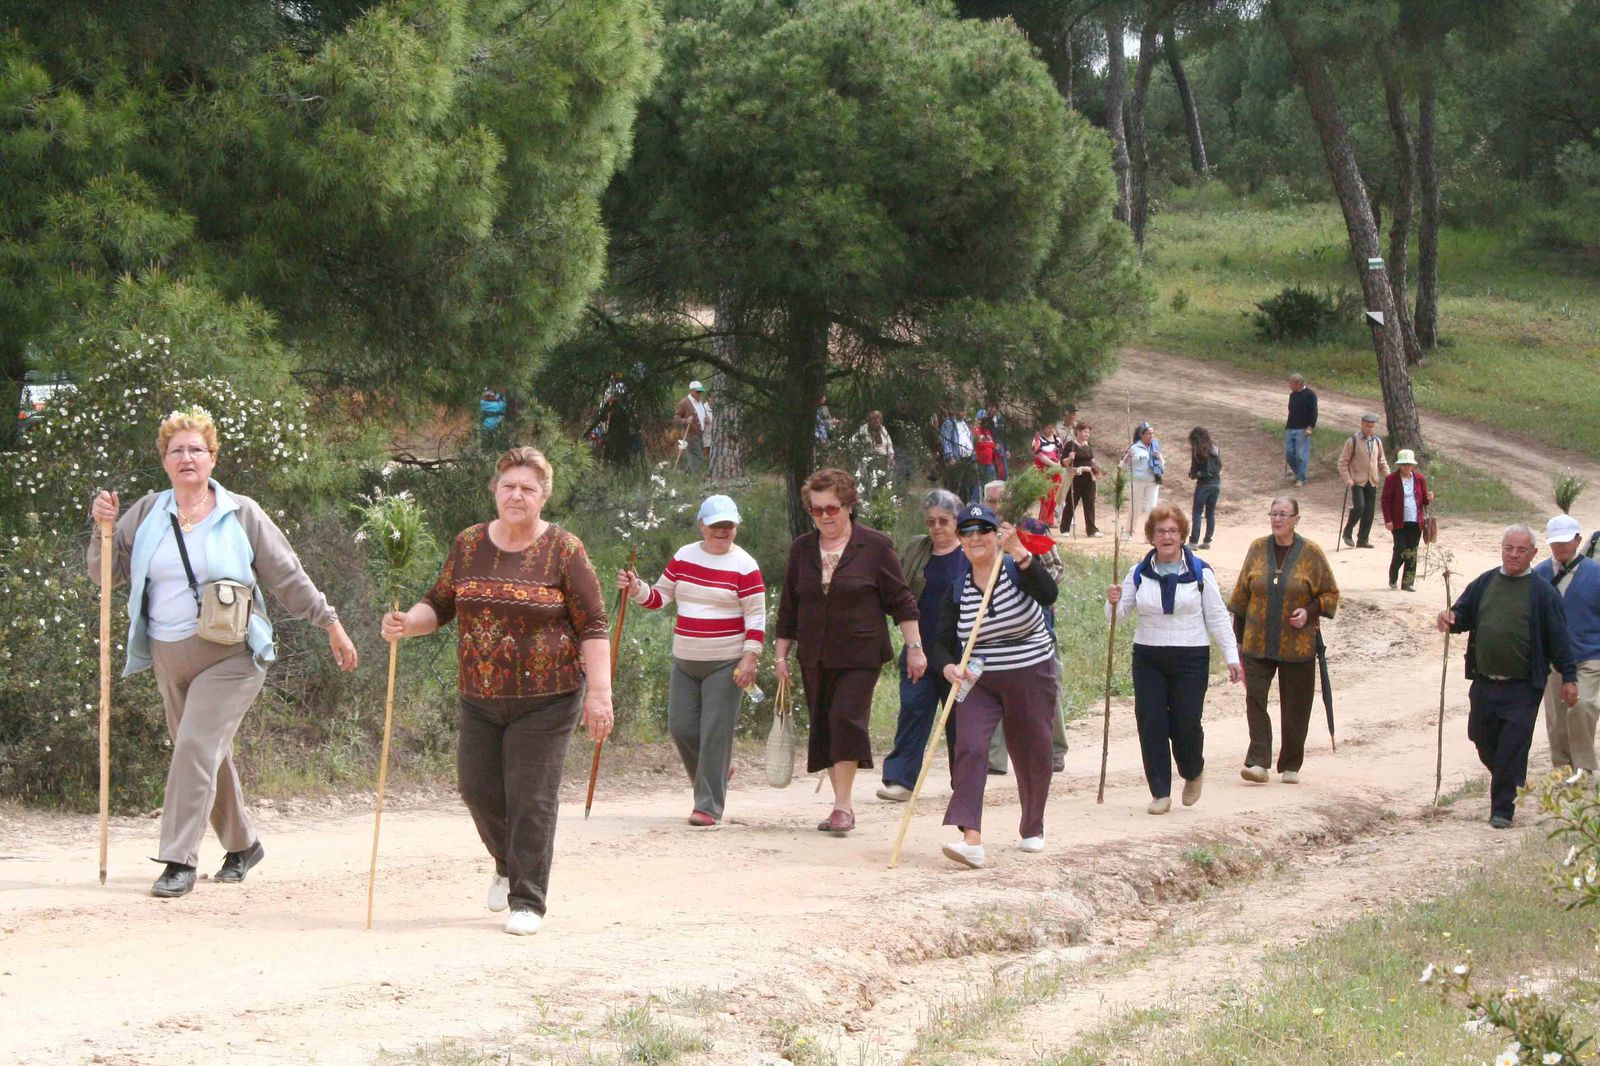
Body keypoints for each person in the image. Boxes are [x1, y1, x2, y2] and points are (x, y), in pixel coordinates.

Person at [88, 408, 359, 899]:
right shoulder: (148, 513)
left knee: (194, 747)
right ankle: (243, 845)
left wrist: (330, 623)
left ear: (213, 458)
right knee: (205, 753)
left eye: (196, 450)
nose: (186, 458)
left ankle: (178, 860)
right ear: (165, 460)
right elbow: (104, 573)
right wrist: (101, 529)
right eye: (177, 450)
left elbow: (287, 576)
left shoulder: (241, 513)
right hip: (169, 653)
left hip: (232, 654)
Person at [382, 447, 612, 935]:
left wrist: (599, 694)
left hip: (549, 698)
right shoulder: (468, 544)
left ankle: (527, 900)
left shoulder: (564, 550)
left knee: (531, 796)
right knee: (477, 788)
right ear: (495, 489)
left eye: (529, 488)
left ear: (544, 495)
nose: (517, 495)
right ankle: (507, 864)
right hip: (480, 695)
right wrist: (407, 625)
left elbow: (593, 623)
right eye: (509, 485)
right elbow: (439, 603)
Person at [775, 469, 923, 834]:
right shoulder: (801, 549)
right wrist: (780, 655)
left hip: (861, 652)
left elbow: (901, 600)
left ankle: (843, 806)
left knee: (845, 718)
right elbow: (789, 607)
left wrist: (915, 647)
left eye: (833, 509)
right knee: (825, 723)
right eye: (817, 510)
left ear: (849, 506)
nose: (826, 517)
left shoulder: (875, 545)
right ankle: (839, 803)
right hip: (814, 652)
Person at [617, 494, 765, 826]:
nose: (722, 531)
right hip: (685, 659)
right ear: (702, 525)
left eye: (728, 525)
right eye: (716, 525)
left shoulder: (745, 566)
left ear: (736, 527)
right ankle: (718, 771)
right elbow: (659, 598)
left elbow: (756, 618)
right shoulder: (684, 557)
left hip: (726, 662)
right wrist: (636, 587)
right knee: (680, 727)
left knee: (715, 732)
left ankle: (708, 806)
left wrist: (749, 658)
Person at [930, 504, 1059, 869]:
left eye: (982, 531)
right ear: (959, 541)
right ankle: (971, 837)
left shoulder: (1016, 571)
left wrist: (1020, 551)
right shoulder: (957, 590)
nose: (975, 539)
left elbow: (1048, 595)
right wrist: (948, 667)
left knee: (1032, 749)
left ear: (995, 534)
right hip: (980, 678)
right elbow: (941, 643)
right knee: (969, 746)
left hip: (1030, 670)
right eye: (967, 533)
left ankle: (1032, 827)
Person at [1437, 525, 1578, 828]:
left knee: (1513, 745)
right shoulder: (1486, 582)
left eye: (1521, 550)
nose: (1514, 555)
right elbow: (1463, 614)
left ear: (1533, 554)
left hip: (1523, 687)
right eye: (1509, 548)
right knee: (1479, 735)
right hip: (1485, 681)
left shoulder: (1542, 592)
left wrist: (1569, 677)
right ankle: (1510, 778)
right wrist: (1450, 618)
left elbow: (1559, 639)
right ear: (1501, 548)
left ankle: (1502, 809)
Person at [1107, 504, 1242, 814]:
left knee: (1186, 722)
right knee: (1151, 721)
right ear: (1151, 537)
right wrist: (1112, 602)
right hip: (1148, 656)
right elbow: (1116, 618)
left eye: (1172, 531)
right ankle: (1160, 792)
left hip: (1191, 656)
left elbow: (1218, 617)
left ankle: (1193, 770)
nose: (1166, 537)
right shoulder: (1138, 573)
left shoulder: (1199, 572)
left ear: (1182, 535)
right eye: (1160, 531)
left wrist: (1232, 657)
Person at [1228, 498, 1340, 784]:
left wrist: (1309, 611)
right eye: (1273, 514)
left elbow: (1330, 594)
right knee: (1255, 699)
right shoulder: (1256, 548)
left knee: (1296, 704)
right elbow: (1241, 596)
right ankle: (1258, 762)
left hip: (1297, 644)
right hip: (1257, 642)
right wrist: (1237, 643)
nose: (1277, 519)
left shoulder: (1311, 553)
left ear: (1296, 519)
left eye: (1283, 515)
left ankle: (1291, 763)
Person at [878, 490, 966, 801]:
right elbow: (897, 590)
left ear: (957, 520)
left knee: (960, 719)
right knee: (913, 709)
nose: (937, 528)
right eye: (931, 521)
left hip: (958, 653)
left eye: (944, 521)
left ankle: (965, 785)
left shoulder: (971, 551)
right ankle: (900, 779)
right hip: (919, 647)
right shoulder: (918, 549)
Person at [1534, 514, 1600, 779]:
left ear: (1577, 540)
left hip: (1589, 655)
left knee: (1581, 707)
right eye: (1555, 543)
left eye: (1566, 542)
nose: (1561, 548)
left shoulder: (1596, 574)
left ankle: (1583, 768)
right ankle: (1562, 769)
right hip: (1553, 659)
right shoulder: (1538, 575)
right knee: (1557, 717)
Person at [1380, 449, 1434, 591]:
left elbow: (1423, 501)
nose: (1406, 467)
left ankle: (1408, 583)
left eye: (1408, 464)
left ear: (1412, 465)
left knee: (1412, 551)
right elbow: (1385, 501)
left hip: (1415, 521)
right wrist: (1388, 520)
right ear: (1399, 465)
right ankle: (1393, 576)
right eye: (1403, 464)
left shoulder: (1420, 479)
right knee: (1401, 549)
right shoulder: (1391, 479)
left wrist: (1428, 498)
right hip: (1398, 521)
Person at [1338, 413, 1390, 548]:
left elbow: (1381, 461)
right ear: (1362, 424)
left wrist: (1388, 476)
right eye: (1367, 426)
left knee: (1369, 512)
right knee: (1359, 506)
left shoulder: (1377, 441)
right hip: (1357, 481)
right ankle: (1347, 532)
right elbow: (1342, 462)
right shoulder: (1352, 441)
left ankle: (1363, 539)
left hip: (1372, 481)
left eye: (1372, 427)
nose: (1370, 429)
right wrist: (1347, 478)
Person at [1060, 421, 1102, 538]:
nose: (1087, 434)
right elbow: (1063, 462)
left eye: (1088, 432)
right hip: (1076, 478)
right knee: (1071, 503)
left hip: (1089, 478)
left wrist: (1096, 468)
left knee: (1089, 503)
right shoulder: (1070, 445)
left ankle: (1091, 530)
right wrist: (1069, 457)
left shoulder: (1087, 446)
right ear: (1078, 431)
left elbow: (1091, 460)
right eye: (1085, 431)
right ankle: (1065, 528)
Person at [1122, 422, 1162, 537]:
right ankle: (1129, 531)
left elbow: (1162, 465)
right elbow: (1123, 465)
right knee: (1135, 507)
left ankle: (1150, 535)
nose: (1151, 436)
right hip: (1137, 482)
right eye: (1149, 434)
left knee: (1151, 508)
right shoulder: (1134, 448)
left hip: (1153, 481)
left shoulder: (1156, 447)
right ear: (1142, 435)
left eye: (1152, 434)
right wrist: (1127, 459)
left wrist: (1158, 458)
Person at [1187, 427, 1221, 549]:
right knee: (1210, 512)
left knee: (1197, 512)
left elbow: (1195, 470)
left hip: (1204, 484)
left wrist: (1194, 474)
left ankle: (1193, 541)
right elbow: (1219, 466)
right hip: (1216, 483)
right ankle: (1207, 541)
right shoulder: (1214, 447)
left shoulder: (1198, 450)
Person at [1032, 417, 1068, 526]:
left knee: (1054, 498)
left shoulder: (1057, 440)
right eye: (1047, 427)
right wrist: (1053, 464)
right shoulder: (1038, 440)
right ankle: (1042, 520)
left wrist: (1061, 464)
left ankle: (1050, 520)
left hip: (1056, 472)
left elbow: (1062, 453)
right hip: (1043, 472)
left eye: (1052, 427)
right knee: (1046, 497)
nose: (1050, 430)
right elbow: (1039, 455)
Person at [1284, 373, 1317, 486]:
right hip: (1291, 427)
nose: (1289, 385)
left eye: (1291, 383)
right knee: (1289, 453)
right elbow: (1290, 410)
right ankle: (1299, 473)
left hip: (1303, 429)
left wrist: (1310, 427)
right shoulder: (1292, 395)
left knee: (1301, 455)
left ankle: (1301, 478)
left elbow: (1313, 412)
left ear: (1298, 383)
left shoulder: (1310, 395)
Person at [938, 409, 978, 501]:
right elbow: (946, 441)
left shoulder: (965, 425)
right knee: (955, 489)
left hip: (969, 460)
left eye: (964, 411)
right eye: (960, 410)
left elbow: (969, 440)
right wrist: (949, 457)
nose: (962, 413)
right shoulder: (948, 424)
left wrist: (973, 455)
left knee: (969, 487)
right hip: (956, 460)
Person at [674, 381, 711, 476]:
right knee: (699, 457)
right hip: (689, 436)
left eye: (701, 391)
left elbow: (701, 414)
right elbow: (676, 419)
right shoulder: (684, 402)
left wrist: (705, 419)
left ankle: (685, 475)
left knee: (694, 458)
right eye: (697, 391)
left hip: (699, 436)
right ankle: (693, 478)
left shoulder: (700, 401)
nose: (700, 393)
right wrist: (686, 421)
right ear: (691, 391)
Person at [973, 414, 998, 487]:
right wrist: (991, 445)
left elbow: (992, 443)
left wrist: (989, 443)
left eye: (984, 420)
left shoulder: (987, 431)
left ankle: (994, 497)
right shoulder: (976, 431)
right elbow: (980, 444)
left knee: (993, 481)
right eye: (980, 420)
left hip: (990, 461)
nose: (982, 422)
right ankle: (974, 498)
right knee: (980, 483)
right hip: (981, 461)